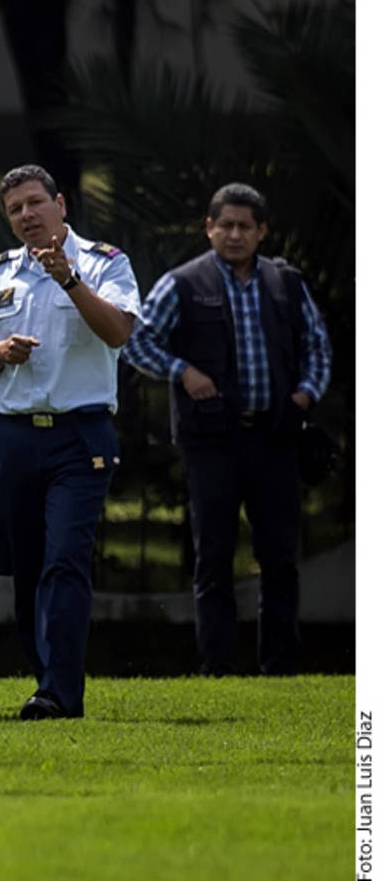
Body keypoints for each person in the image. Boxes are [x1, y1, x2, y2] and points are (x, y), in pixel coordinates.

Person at [123, 182, 331, 675]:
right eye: (226, 225)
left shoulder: (287, 283)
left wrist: (305, 393)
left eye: (246, 226)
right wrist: (183, 372)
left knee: (280, 557)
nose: (235, 234)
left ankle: (278, 667)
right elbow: (136, 342)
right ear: (209, 228)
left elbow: (318, 347)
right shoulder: (183, 283)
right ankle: (215, 667)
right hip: (212, 441)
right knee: (212, 557)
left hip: (277, 436)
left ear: (262, 232)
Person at [0, 164, 141, 720]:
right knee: (29, 565)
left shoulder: (105, 263)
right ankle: (46, 683)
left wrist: (68, 279)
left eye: (35, 203)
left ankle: (61, 692)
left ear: (60, 204)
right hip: (14, 438)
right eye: (15, 209)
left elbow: (118, 332)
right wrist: (1, 352)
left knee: (66, 559)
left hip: (79, 436)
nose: (26, 216)